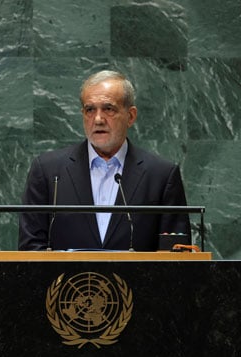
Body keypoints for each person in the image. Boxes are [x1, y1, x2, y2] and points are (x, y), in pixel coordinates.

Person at [18, 70, 190, 251]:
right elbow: (30, 249)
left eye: (108, 109)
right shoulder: (48, 171)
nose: (98, 119)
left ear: (130, 116)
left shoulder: (161, 175)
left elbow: (176, 256)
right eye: (90, 110)